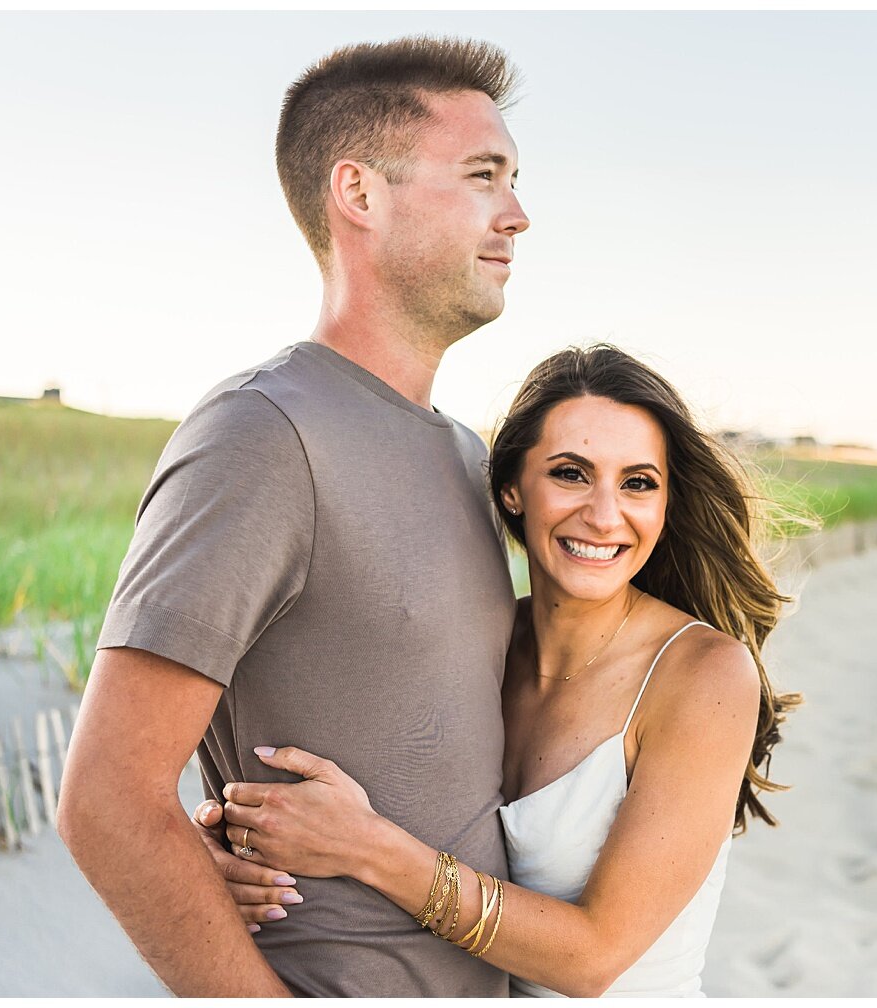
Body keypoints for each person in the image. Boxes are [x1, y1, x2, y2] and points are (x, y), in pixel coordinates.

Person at [57, 36, 529, 997]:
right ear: (360, 193)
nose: (518, 215)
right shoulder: (264, 432)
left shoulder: (468, 456)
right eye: (483, 176)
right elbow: (107, 798)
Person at [195, 345, 801, 997]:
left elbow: (594, 958)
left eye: (638, 482)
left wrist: (368, 850)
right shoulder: (480, 642)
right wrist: (224, 846)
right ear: (513, 488)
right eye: (571, 473)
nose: (604, 514)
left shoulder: (704, 675)